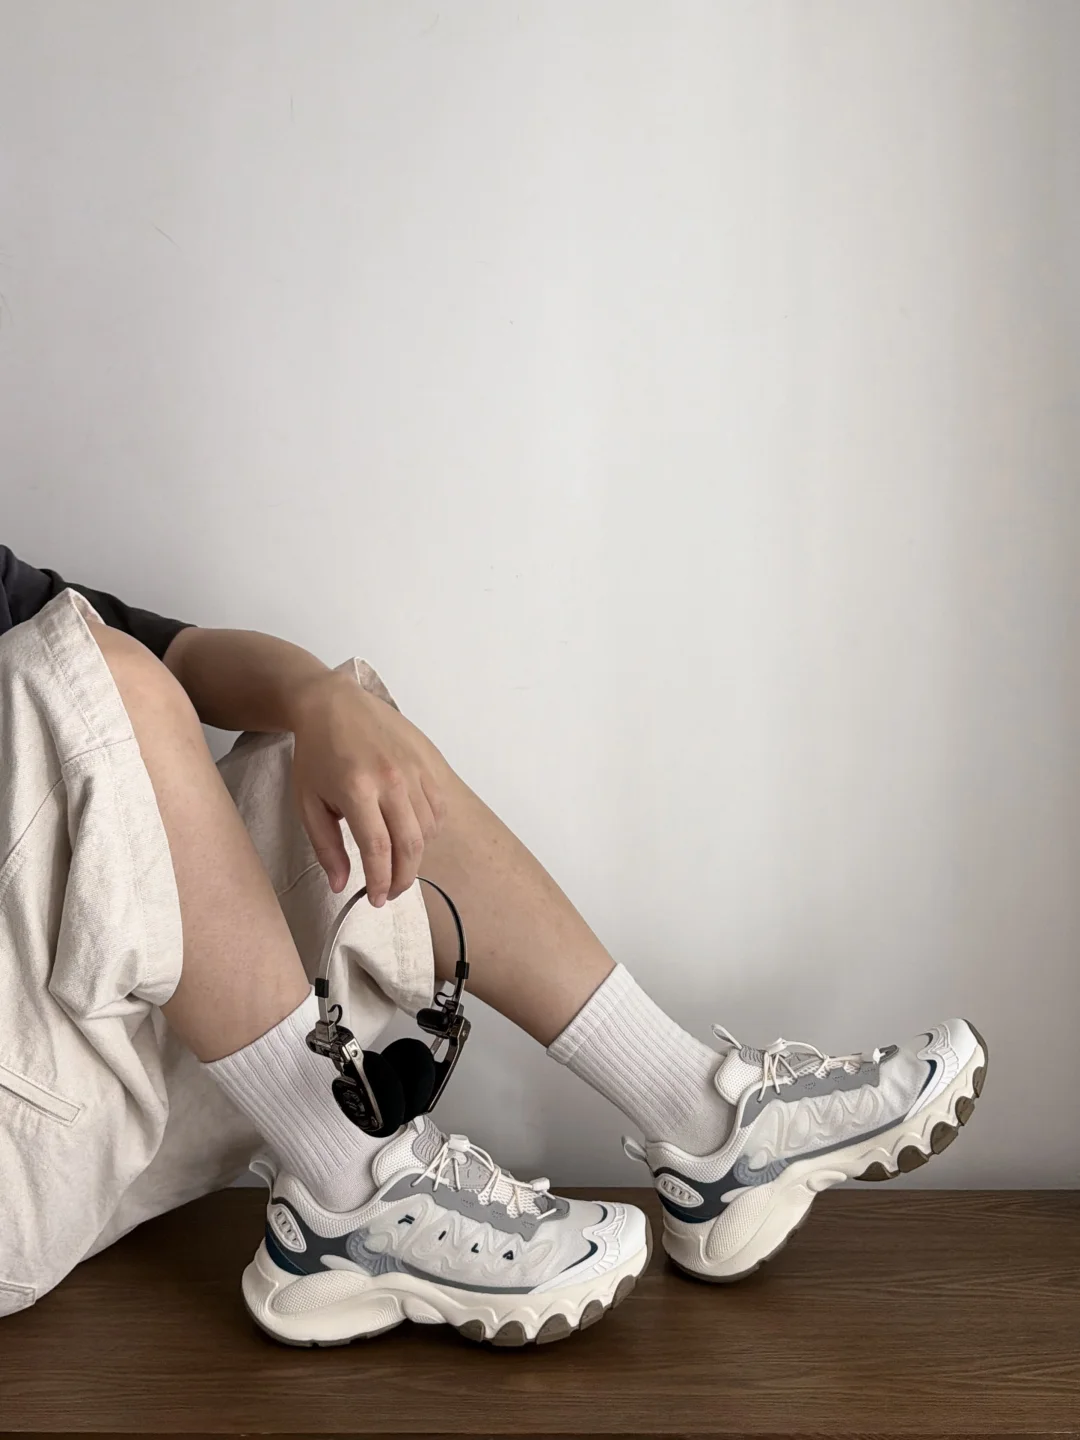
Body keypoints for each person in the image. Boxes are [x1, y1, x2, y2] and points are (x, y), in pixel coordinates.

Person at [0, 543, 987, 1347]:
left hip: (98, 1097)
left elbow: (169, 663)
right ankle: (350, 1187)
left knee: (333, 740)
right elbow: (98, 683)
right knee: (90, 678)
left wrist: (315, 696)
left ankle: (705, 1123)